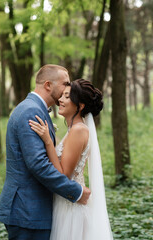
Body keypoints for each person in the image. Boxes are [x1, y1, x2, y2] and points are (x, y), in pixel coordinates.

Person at [0, 65, 91, 240]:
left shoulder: (34, 109)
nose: (67, 89)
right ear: (48, 85)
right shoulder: (31, 111)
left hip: (33, 210)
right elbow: (38, 164)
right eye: (65, 84)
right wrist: (75, 191)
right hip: (28, 211)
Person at [29, 79, 114, 239]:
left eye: (67, 97)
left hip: (71, 207)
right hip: (64, 201)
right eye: (62, 95)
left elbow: (64, 174)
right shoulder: (74, 129)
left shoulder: (78, 130)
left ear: (80, 105)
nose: (60, 100)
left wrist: (48, 141)